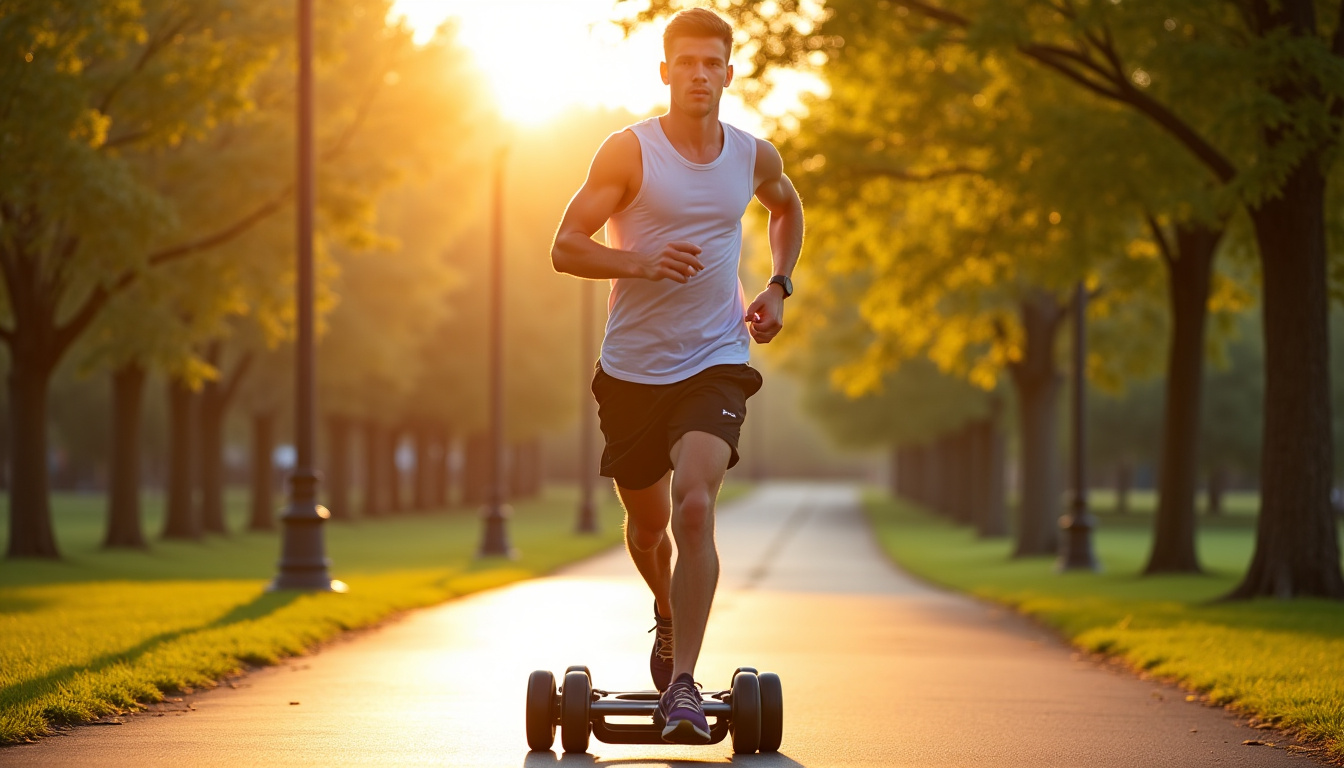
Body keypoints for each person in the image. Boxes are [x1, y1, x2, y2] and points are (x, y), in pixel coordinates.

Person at [550, 7, 804, 746]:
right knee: (648, 525)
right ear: (666, 72)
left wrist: (779, 284)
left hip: (716, 357)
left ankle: (685, 684)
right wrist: (640, 261)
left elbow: (785, 208)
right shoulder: (629, 154)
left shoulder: (753, 155)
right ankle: (665, 611)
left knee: (695, 507)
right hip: (631, 369)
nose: (699, 74)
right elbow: (566, 246)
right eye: (685, 63)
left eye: (712, 63)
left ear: (729, 71)